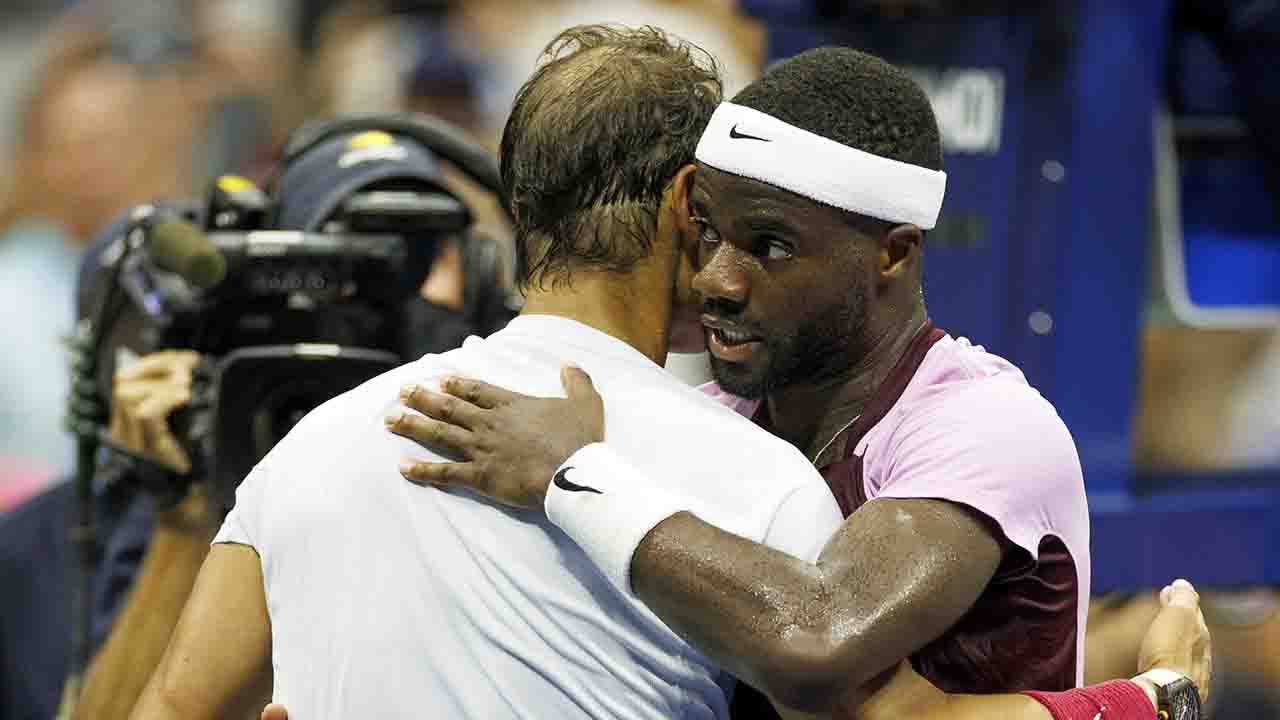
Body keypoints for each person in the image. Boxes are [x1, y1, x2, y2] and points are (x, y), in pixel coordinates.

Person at [131, 25, 844, 720]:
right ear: (689, 205)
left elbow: (173, 705)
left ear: (523, 209)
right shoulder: (762, 484)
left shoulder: (309, 449)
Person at [386, 44, 1092, 717]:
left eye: (770, 245)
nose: (715, 280)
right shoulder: (712, 418)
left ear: (893, 254)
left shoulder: (983, 427)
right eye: (707, 232)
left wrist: (574, 479)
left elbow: (818, 641)